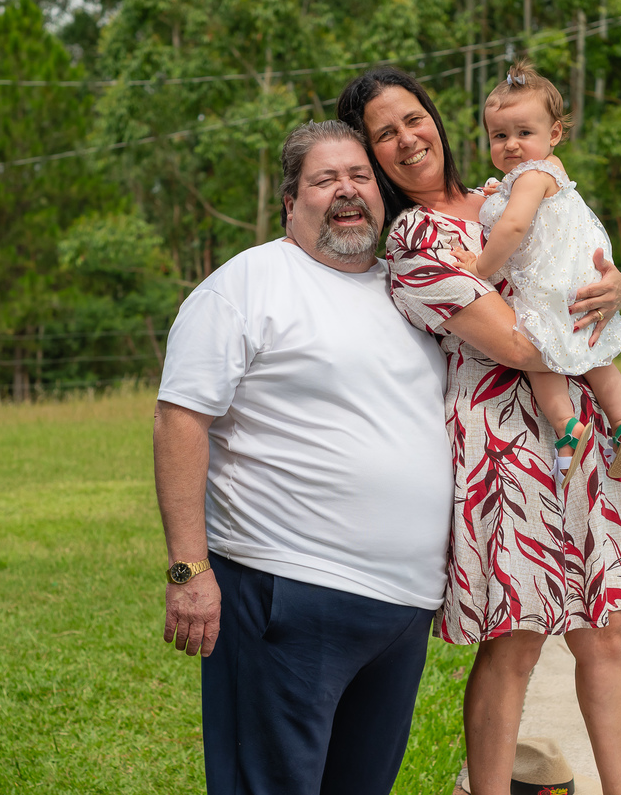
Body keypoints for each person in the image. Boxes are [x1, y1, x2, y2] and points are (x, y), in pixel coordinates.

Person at [337, 68, 621, 795]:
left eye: (413, 118)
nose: (408, 138)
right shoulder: (414, 241)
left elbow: (579, 253)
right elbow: (516, 344)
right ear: (371, 155)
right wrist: (602, 321)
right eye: (385, 133)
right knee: (518, 639)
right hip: (504, 448)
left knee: (608, 630)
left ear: (435, 118)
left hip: (577, 436)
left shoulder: (506, 189)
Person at [154, 120, 454, 795]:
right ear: (291, 202)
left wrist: (613, 286)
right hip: (285, 591)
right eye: (325, 179)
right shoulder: (250, 284)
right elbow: (180, 418)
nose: (347, 191)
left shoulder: (410, 290)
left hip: (400, 611)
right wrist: (188, 567)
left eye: (360, 177)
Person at [449, 60, 621, 488]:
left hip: (548, 286)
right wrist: (496, 191)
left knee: (544, 362)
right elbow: (522, 203)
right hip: (582, 284)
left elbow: (515, 226)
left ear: (554, 133)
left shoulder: (531, 177)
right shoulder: (551, 171)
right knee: (599, 359)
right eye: (499, 135)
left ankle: (566, 430)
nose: (511, 145)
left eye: (524, 133)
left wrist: (480, 266)